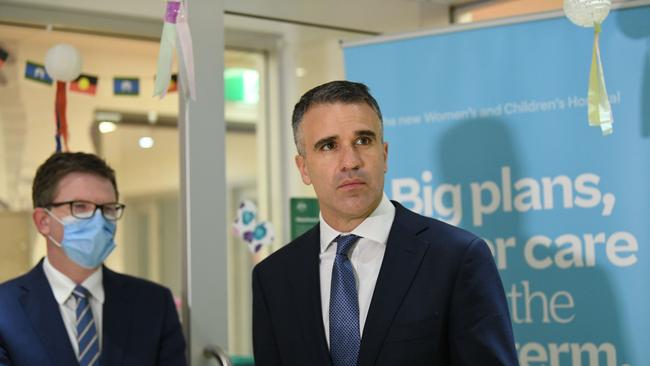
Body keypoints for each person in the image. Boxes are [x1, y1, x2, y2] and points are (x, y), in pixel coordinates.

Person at [252, 81, 518, 366]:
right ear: (304, 168)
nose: (350, 162)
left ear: (385, 154)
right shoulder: (274, 278)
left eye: (363, 141)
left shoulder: (456, 258)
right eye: (329, 146)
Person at [0, 152, 186, 366]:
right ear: (43, 221)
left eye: (108, 209)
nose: (98, 221)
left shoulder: (153, 304)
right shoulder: (5, 310)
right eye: (80, 207)